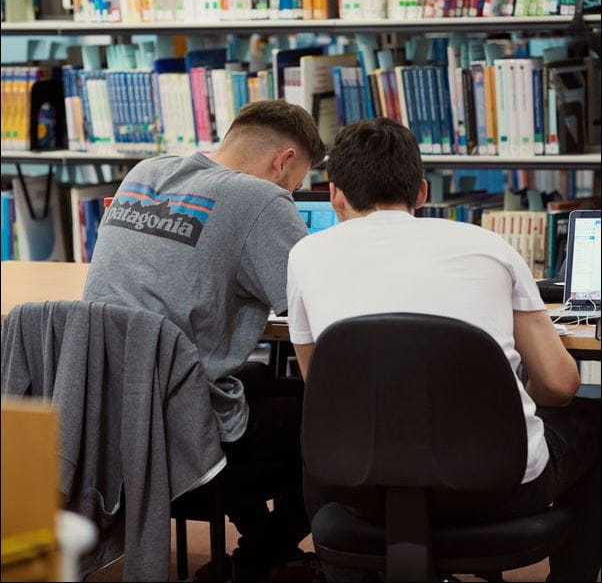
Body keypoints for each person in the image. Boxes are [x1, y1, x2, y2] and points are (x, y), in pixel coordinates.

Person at [287, 118, 600, 582]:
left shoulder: (306, 255)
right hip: (496, 486)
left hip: (362, 488)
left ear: (334, 194)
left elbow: (325, 390)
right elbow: (560, 384)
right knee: (592, 420)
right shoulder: (488, 246)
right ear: (421, 193)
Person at [84, 100, 326, 581]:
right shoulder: (262, 199)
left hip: (107, 418)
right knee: (339, 421)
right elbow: (313, 306)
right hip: (180, 429)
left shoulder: (146, 171)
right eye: (296, 183)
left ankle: (265, 551)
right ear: (283, 160)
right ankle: (253, 562)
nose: (291, 192)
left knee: (257, 377)